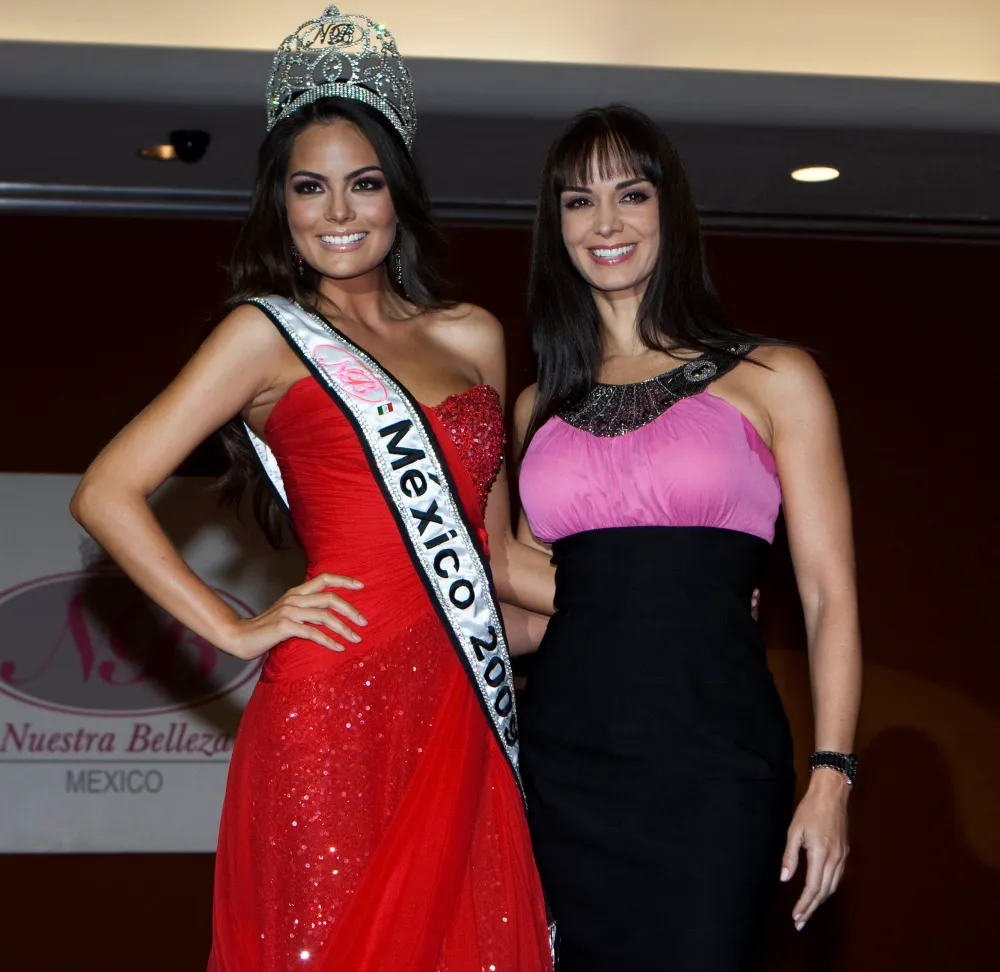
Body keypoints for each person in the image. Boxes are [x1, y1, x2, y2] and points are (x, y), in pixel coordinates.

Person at [69, 8, 553, 971]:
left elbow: (496, 559)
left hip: (459, 700)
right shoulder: (264, 335)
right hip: (329, 706)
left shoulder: (474, 336)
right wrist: (234, 628)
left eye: (363, 183)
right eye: (310, 186)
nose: (338, 211)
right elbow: (106, 491)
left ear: (398, 196)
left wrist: (663, 587)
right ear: (281, 206)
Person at [509, 105, 862, 970]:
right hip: (563, 767)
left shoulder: (774, 377)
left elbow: (828, 596)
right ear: (556, 226)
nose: (606, 223)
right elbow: (528, 617)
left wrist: (832, 776)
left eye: (631, 194)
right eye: (579, 201)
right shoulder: (536, 406)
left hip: (715, 765)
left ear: (670, 208)